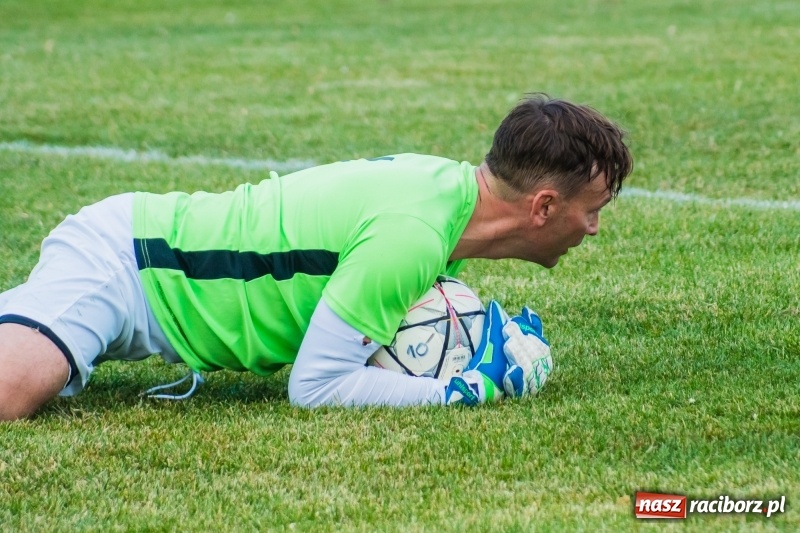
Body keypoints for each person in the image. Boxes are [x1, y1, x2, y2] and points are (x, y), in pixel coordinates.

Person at [0, 94, 633, 420]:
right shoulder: (412, 234)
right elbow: (318, 385)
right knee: (13, 393)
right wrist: (463, 390)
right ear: (544, 206)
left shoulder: (444, 193)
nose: (596, 227)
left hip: (145, 265)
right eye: (593, 206)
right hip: (128, 264)